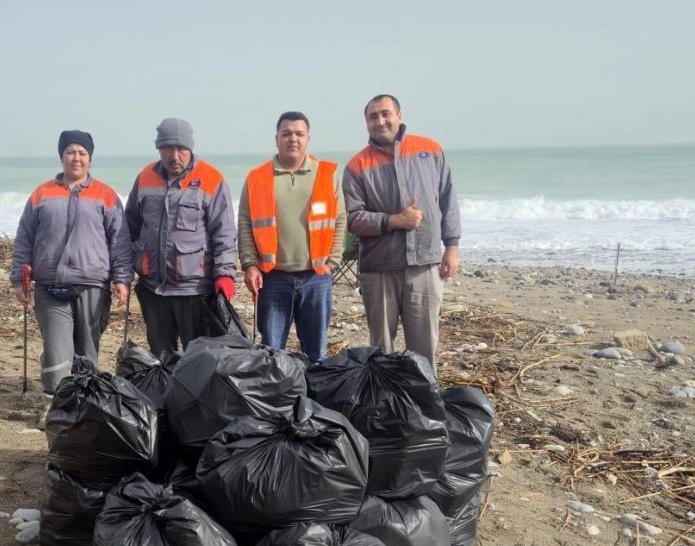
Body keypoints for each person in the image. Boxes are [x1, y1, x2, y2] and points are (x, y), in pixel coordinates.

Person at [342, 94, 461, 368]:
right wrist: (395, 220)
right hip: (379, 268)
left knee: (424, 346)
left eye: (385, 113)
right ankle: (384, 402)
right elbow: (354, 219)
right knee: (381, 347)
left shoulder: (429, 150)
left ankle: (423, 402)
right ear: (366, 123)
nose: (380, 121)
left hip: (425, 263)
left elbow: (448, 200)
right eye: (373, 117)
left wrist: (452, 247)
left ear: (399, 115)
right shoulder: (357, 165)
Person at [11, 130, 131, 395]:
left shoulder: (106, 195)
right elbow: (24, 238)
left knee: (87, 351)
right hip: (49, 286)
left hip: (93, 286)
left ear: (90, 158)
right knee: (56, 350)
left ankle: (86, 405)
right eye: (70, 152)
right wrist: (18, 279)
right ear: (61, 156)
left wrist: (122, 279)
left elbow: (120, 241)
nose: (76, 158)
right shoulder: (41, 194)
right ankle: (55, 405)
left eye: (82, 153)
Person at [120, 118, 237, 356]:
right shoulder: (145, 177)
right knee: (161, 357)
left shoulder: (212, 179)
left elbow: (224, 233)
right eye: (167, 148)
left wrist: (225, 275)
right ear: (158, 149)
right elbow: (129, 226)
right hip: (153, 289)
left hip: (194, 290)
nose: (175, 156)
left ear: (190, 148)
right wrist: (126, 268)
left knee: (199, 358)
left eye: (181, 148)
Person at [237, 111, 346, 363]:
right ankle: (278, 401)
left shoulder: (326, 174)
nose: (292, 139)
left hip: (316, 278)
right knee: (272, 353)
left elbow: (340, 220)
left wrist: (333, 262)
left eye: (299, 134)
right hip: (273, 279)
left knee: (317, 353)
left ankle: (314, 400)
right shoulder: (257, 178)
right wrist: (250, 265)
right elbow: (245, 224)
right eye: (286, 134)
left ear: (308, 139)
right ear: (276, 139)